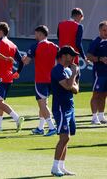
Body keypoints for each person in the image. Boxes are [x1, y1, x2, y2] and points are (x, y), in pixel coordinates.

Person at [0, 22, 24, 132]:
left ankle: (17, 118)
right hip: (9, 77)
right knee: (0, 101)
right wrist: (18, 72)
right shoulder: (13, 45)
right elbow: (21, 61)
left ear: (0, 32)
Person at [22, 25, 58, 136]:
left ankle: (52, 127)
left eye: (36, 33)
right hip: (53, 79)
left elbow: (26, 61)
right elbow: (59, 62)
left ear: (40, 34)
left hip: (41, 79)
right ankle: (40, 127)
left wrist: (22, 58)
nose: (35, 35)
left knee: (42, 104)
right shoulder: (55, 46)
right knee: (44, 104)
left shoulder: (35, 46)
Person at [50, 46, 79, 177]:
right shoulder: (57, 70)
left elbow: (76, 89)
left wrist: (72, 79)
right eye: (71, 55)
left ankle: (61, 166)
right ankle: (55, 167)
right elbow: (68, 86)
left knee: (67, 138)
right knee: (64, 137)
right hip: (60, 107)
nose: (73, 57)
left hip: (70, 107)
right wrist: (73, 75)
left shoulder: (68, 70)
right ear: (63, 56)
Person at [86, 21, 107, 124]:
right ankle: (94, 117)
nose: (106, 32)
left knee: (104, 95)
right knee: (96, 94)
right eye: (104, 30)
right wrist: (100, 59)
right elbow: (89, 56)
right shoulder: (96, 42)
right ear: (99, 30)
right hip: (99, 73)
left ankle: (101, 116)